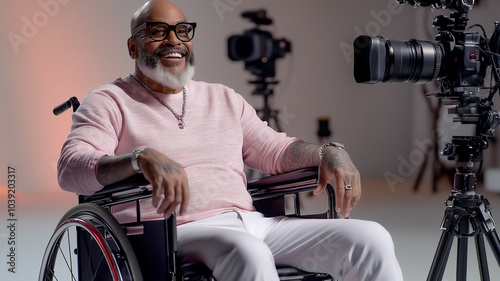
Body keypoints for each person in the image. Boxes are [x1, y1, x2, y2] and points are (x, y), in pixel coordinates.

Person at [57, 0, 404, 280]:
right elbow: (71, 167)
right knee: (248, 253)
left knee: (371, 239)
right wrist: (138, 158)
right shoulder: (109, 100)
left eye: (182, 31)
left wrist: (329, 152)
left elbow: (276, 149)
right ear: (133, 47)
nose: (174, 40)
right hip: (170, 232)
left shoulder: (222, 98)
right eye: (158, 31)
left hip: (251, 222)